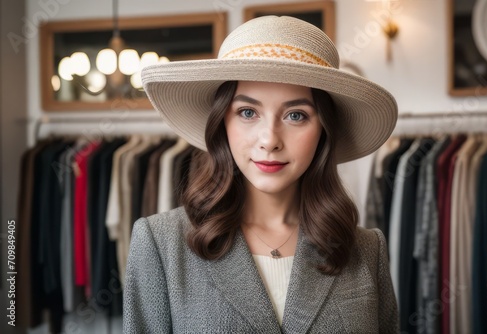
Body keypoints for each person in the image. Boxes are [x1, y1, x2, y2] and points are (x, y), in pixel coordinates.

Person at [124, 15, 399, 333]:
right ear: (222, 124)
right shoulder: (161, 244)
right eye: (247, 112)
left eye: (296, 115)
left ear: (324, 129)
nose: (269, 140)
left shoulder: (365, 250)